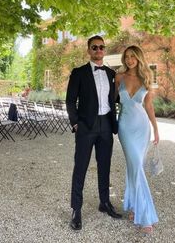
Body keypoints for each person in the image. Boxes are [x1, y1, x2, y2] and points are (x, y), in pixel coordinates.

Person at [66, 35, 122, 231]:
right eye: (95, 47)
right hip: (86, 126)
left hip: (106, 124)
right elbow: (70, 101)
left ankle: (104, 202)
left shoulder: (111, 73)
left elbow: (118, 98)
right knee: (80, 167)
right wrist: (75, 123)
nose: (99, 50)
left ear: (104, 50)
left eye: (101, 47)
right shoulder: (79, 72)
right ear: (89, 50)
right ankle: (76, 209)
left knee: (104, 166)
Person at [115, 45, 160, 234]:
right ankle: (146, 216)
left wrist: (156, 129)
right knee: (136, 166)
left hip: (142, 128)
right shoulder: (119, 78)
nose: (129, 60)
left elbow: (148, 106)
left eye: (133, 56)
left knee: (136, 167)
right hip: (125, 127)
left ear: (139, 58)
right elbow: (109, 101)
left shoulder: (146, 78)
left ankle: (134, 206)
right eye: (127, 57)